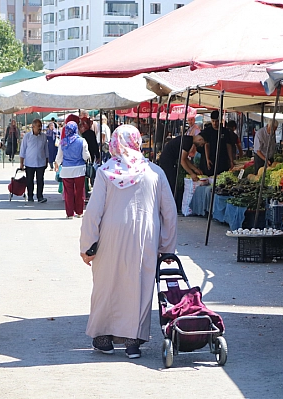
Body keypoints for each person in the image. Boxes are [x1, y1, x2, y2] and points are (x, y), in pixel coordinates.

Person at [79, 124, 177, 359]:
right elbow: (170, 212)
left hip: (110, 237)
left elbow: (93, 212)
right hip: (146, 237)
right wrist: (167, 247)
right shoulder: (155, 172)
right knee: (140, 286)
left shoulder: (105, 172)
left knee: (106, 286)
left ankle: (104, 338)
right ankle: (133, 342)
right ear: (137, 142)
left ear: (114, 143)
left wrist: (88, 246)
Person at [159, 133, 207, 209]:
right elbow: (182, 161)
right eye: (202, 144)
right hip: (167, 161)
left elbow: (185, 158)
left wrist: (195, 169)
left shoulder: (188, 140)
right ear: (199, 139)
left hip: (170, 160)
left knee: (173, 182)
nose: (201, 146)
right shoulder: (188, 142)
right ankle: (170, 206)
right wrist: (191, 173)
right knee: (171, 183)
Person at [55, 121, 90, 219]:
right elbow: (85, 156)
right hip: (79, 169)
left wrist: (57, 164)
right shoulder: (82, 141)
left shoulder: (63, 142)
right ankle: (79, 212)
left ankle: (70, 214)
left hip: (66, 170)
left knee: (68, 192)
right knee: (79, 191)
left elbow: (59, 157)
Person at [19, 119, 49, 203]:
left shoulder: (43, 136)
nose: (40, 128)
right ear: (33, 126)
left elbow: (46, 149)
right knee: (29, 180)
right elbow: (23, 150)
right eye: (38, 126)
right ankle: (30, 196)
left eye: (40, 126)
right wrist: (21, 163)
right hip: (29, 162)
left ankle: (40, 196)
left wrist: (47, 161)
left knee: (40, 180)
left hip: (41, 162)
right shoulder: (27, 136)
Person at [200, 110, 235, 175]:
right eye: (213, 121)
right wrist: (207, 159)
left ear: (220, 120)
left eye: (216, 121)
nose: (214, 123)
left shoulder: (225, 131)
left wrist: (231, 160)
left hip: (222, 158)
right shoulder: (207, 131)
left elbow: (228, 146)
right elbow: (206, 144)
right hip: (210, 158)